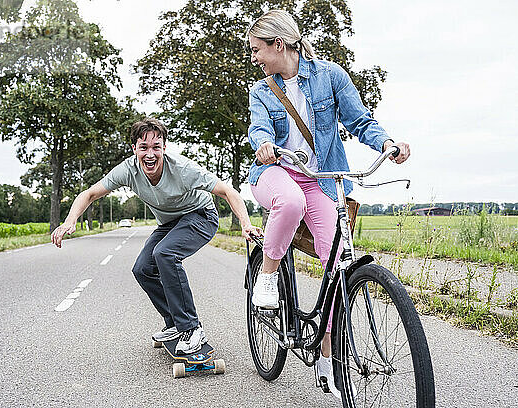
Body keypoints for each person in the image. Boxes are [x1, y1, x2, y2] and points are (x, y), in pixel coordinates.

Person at [245, 10, 410, 397]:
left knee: (338, 263)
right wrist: (264, 145)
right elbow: (259, 129)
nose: (255, 58)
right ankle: (268, 275)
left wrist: (386, 144)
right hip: (277, 174)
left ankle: (326, 350)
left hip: (321, 177)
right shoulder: (261, 91)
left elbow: (359, 120)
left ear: (278, 44)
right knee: (289, 202)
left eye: (257, 50)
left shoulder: (330, 76)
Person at [51, 118, 261, 355]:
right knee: (142, 268)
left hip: (201, 215)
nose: (150, 154)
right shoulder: (127, 171)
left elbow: (227, 191)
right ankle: (174, 323)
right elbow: (89, 194)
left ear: (164, 148)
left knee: (165, 254)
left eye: (156, 147)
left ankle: (191, 329)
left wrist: (245, 223)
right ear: (134, 149)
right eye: (144, 147)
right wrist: (69, 221)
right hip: (171, 223)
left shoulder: (182, 169)